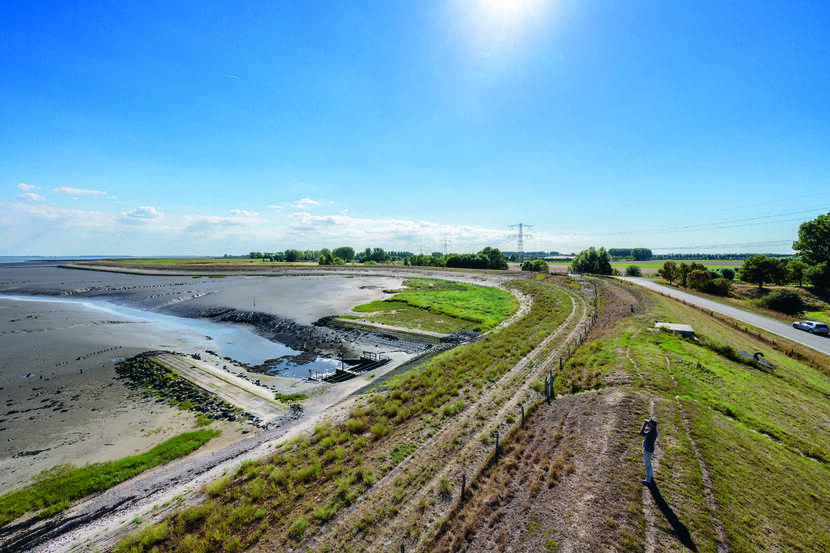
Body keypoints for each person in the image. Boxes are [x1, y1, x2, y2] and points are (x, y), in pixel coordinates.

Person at [639, 417, 658, 486]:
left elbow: (641, 433)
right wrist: (647, 425)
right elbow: (648, 429)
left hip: (647, 450)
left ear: (652, 425)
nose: (648, 424)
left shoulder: (651, 433)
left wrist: (644, 424)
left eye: (649, 424)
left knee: (647, 465)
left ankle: (648, 481)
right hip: (650, 449)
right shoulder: (653, 430)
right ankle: (651, 476)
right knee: (649, 464)